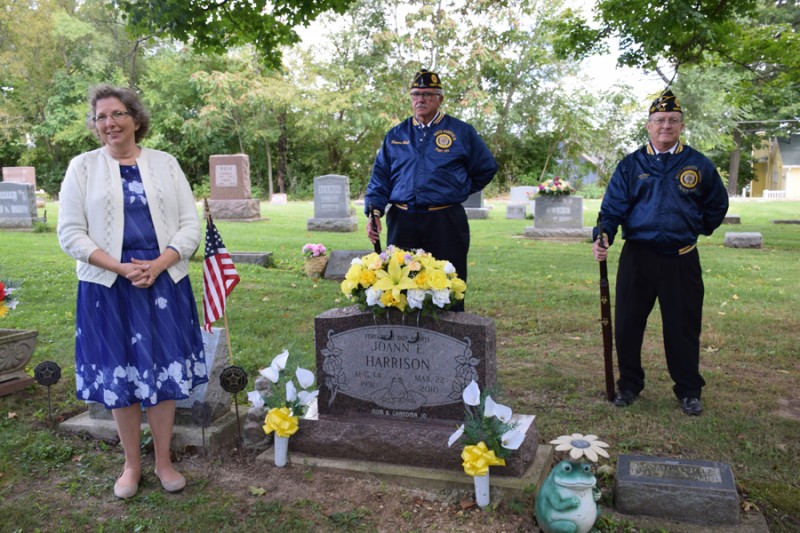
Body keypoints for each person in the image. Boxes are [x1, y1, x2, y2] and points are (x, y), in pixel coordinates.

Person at [58, 84, 207, 498]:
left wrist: (160, 263)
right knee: (119, 374)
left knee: (161, 371)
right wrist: (121, 267)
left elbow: (189, 226)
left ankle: (163, 461)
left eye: (118, 113)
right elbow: (70, 233)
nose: (110, 123)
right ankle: (131, 465)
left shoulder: (166, 163)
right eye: (101, 116)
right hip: (108, 284)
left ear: (136, 119)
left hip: (163, 281)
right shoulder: (82, 168)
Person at [592, 90, 729, 416]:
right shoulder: (630, 165)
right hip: (638, 257)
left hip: (681, 258)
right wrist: (604, 234)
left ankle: (688, 390)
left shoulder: (697, 164)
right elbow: (611, 210)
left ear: (681, 125)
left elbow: (716, 205)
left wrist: (694, 227)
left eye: (672, 121)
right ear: (648, 126)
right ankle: (629, 385)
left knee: (682, 327)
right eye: (659, 121)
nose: (665, 126)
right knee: (627, 324)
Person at [364, 68, 498, 306]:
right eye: (415, 94)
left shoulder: (461, 132)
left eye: (427, 94)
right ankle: (403, 338)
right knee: (401, 287)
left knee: (448, 285)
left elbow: (486, 167)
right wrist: (374, 212)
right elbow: (380, 178)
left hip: (445, 221)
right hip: (402, 221)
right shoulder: (396, 135)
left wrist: (458, 189)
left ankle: (452, 337)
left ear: (440, 99)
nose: (420, 99)